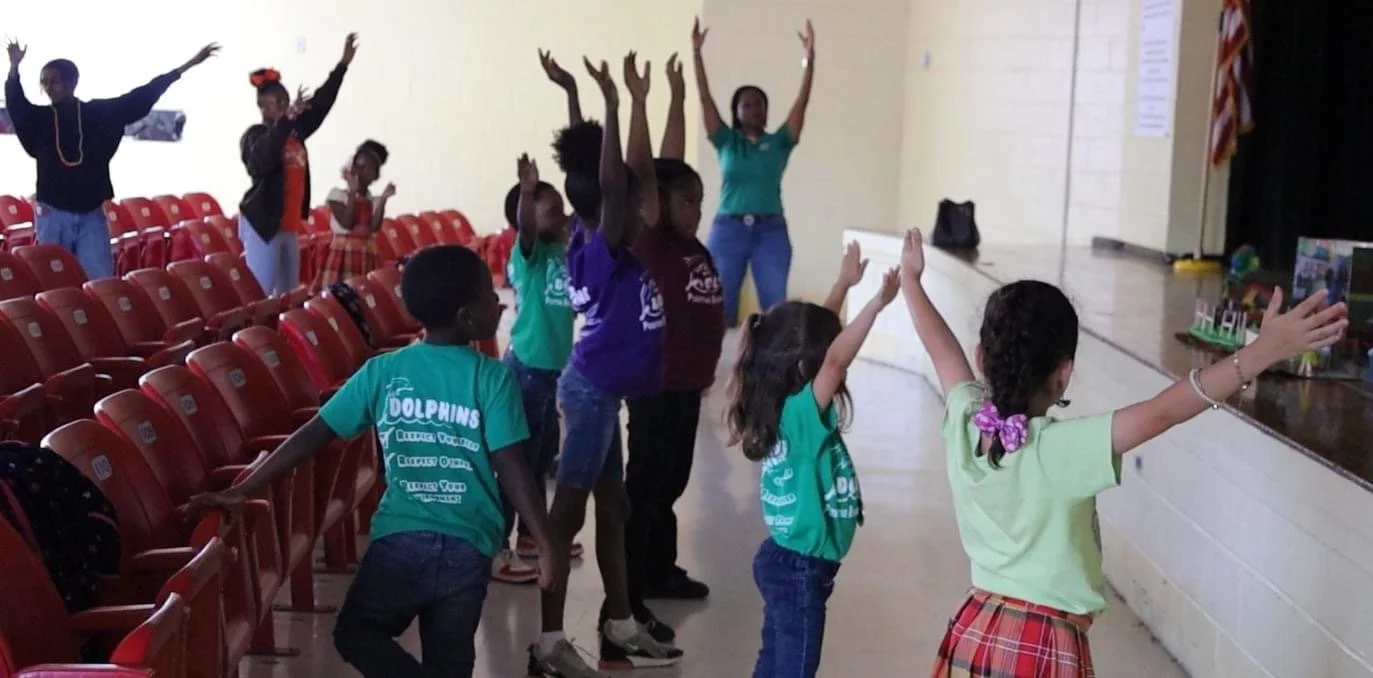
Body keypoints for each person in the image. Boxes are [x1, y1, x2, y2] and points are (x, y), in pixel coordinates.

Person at [892, 229, 1349, 678]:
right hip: (1042, 645)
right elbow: (1163, 412)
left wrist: (911, 282)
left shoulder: (966, 422)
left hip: (975, 629)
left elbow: (940, 349)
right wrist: (1260, 352)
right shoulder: (1058, 450)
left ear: (981, 357)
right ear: (1063, 373)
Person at [187, 245, 570, 678]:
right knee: (451, 662)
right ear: (467, 316)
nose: (498, 301)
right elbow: (513, 467)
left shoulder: (383, 373)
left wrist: (246, 487)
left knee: (357, 634)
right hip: (469, 548)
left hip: (400, 540)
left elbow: (315, 433)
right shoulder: (492, 377)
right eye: (488, 294)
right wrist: (546, 541)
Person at [526, 55, 682, 678]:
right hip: (590, 393)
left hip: (605, 390)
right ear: (614, 204)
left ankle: (619, 623)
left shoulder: (599, 232)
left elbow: (598, 174)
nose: (646, 195)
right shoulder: (600, 247)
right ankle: (548, 642)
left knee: (611, 509)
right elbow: (612, 183)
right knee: (565, 517)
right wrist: (615, 102)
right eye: (634, 193)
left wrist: (576, 99)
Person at [727, 243, 896, 678]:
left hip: (785, 558)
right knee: (796, 669)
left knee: (774, 658)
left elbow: (816, 343)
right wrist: (876, 303)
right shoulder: (802, 416)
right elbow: (835, 359)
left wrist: (842, 286)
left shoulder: (781, 402)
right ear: (808, 369)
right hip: (801, 568)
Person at [623, 53, 722, 605]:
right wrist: (654, 100)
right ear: (658, 206)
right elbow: (652, 170)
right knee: (648, 487)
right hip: (656, 387)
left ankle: (662, 569)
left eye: (700, 202)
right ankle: (634, 581)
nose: (696, 211)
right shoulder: (654, 239)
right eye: (687, 202)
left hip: (685, 388)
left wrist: (679, 94)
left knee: (672, 484)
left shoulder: (689, 246)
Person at [4, 38, 218, 278]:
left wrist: (184, 67)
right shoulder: (41, 118)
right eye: (44, 82)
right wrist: (14, 68)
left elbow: (139, 97)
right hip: (52, 216)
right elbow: (17, 105)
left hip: (91, 215)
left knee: (101, 282)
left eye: (54, 80)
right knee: (52, 283)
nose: (49, 87)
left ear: (72, 82)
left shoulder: (96, 114)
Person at [490, 154, 583, 586]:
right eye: (552, 211)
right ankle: (498, 548)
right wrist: (527, 192)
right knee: (518, 465)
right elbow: (527, 229)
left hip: (552, 374)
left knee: (542, 455)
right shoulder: (528, 255)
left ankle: (529, 535)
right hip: (526, 371)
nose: (562, 216)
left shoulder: (565, 252)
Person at [691, 17, 816, 326]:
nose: (754, 109)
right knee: (717, 307)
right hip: (728, 230)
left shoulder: (780, 142)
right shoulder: (726, 141)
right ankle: (708, 372)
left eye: (759, 104)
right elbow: (705, 98)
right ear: (736, 112)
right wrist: (696, 53)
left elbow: (802, 103)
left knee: (776, 311)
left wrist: (809, 60)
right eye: (746, 105)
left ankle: (773, 372)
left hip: (770, 232)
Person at [239, 33, 357, 297]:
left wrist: (342, 66)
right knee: (261, 294)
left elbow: (320, 104)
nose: (283, 106)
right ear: (261, 105)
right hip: (263, 225)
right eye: (276, 103)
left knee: (288, 296)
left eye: (285, 101)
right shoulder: (255, 135)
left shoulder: (295, 131)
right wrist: (285, 122)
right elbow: (260, 162)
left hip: (288, 226)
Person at [314, 139, 395, 292]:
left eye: (366, 168)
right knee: (338, 297)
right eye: (357, 165)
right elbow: (346, 223)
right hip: (343, 254)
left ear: (375, 176)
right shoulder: (337, 195)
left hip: (365, 254)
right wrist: (352, 192)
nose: (359, 171)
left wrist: (383, 199)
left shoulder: (373, 200)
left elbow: (373, 228)